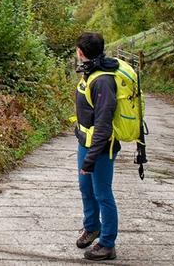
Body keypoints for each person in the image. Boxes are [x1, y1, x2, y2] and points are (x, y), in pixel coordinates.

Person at [74, 31, 119, 261]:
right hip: (86, 143)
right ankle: (92, 227)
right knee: (85, 188)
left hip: (100, 148)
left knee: (103, 194)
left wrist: (90, 160)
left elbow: (103, 126)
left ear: (81, 52)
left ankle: (108, 243)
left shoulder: (102, 81)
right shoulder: (90, 71)